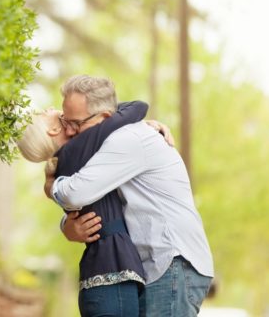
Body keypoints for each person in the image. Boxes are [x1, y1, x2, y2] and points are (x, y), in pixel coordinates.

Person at [49, 75, 214, 316]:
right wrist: (68, 226)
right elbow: (100, 204)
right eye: (65, 122)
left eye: (75, 123)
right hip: (162, 266)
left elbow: (76, 194)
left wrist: (50, 184)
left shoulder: (126, 140)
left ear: (104, 118)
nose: (71, 132)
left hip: (173, 262)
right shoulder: (116, 136)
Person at [19, 99, 168, 316]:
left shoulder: (67, 161)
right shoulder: (78, 150)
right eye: (44, 113)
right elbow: (136, 108)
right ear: (52, 130)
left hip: (105, 278)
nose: (50, 108)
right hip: (111, 277)